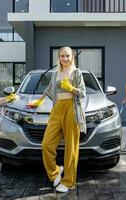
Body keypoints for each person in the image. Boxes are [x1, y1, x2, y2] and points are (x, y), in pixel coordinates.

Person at [27, 47, 86, 193]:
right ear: (58, 57)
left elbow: (82, 93)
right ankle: (55, 171)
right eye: (62, 56)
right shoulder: (55, 73)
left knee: (71, 148)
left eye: (67, 56)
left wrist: (71, 88)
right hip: (57, 109)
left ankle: (69, 181)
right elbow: (48, 89)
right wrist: (38, 101)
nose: (65, 59)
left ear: (72, 57)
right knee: (46, 144)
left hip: (71, 109)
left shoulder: (76, 73)